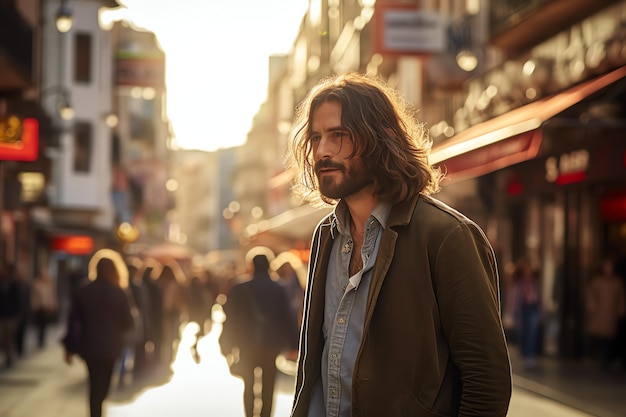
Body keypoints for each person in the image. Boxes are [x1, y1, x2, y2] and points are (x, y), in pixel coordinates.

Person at [284, 73, 512, 416]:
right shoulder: (325, 235)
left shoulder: (446, 236)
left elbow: (487, 381)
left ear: (381, 138)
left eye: (339, 135)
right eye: (316, 137)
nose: (322, 151)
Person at [220, 247, 299, 417]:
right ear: (270, 265)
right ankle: (265, 415)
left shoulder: (239, 287)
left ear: (251, 265)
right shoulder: (279, 287)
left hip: (246, 343)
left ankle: (249, 414)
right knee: (269, 385)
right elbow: (288, 316)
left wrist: (226, 343)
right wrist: (294, 343)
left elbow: (231, 318)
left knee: (248, 383)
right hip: (271, 343)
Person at [61, 249, 134, 417]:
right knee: (104, 386)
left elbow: (72, 322)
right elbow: (128, 322)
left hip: (90, 346)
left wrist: (69, 347)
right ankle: (97, 409)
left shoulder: (83, 290)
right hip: (112, 347)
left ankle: (95, 411)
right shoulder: (119, 293)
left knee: (94, 383)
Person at [586, 257, 625, 370]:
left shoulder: (617, 281)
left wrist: (621, 309)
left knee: (609, 337)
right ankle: (598, 357)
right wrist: (592, 306)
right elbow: (591, 295)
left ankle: (606, 359)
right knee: (599, 335)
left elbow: (621, 297)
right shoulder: (597, 280)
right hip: (600, 312)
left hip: (611, 312)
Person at [511, 257, 542, 369]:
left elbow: (539, 298)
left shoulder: (535, 282)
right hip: (523, 308)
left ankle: (530, 356)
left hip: (532, 308)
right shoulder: (519, 283)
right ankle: (525, 354)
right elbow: (514, 297)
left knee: (531, 333)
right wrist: (513, 311)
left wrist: (540, 312)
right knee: (523, 332)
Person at [30, 268, 59, 348]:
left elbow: (52, 297)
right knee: (39, 325)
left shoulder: (49, 285)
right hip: (39, 308)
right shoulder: (36, 284)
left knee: (44, 325)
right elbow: (34, 298)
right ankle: (39, 340)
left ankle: (42, 340)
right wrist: (34, 306)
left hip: (47, 308)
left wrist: (53, 306)